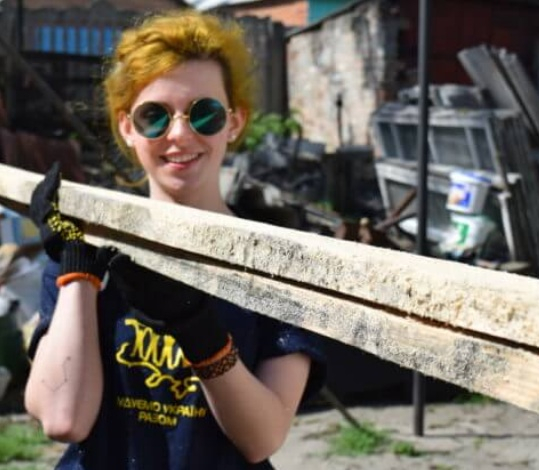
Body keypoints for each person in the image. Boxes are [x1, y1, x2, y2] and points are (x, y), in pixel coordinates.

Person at [24, 10, 325, 469]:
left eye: (204, 114)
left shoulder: (278, 262)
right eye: (154, 116)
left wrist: (198, 330)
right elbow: (63, 419)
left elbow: (262, 438)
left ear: (235, 122)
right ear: (127, 127)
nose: (180, 134)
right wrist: (78, 271)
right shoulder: (87, 248)